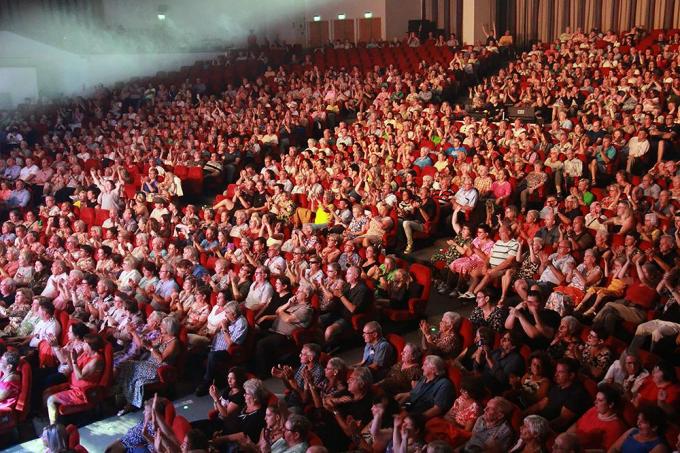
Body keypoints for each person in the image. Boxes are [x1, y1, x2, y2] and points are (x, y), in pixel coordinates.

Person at [116, 316, 180, 415]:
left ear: (169, 328)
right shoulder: (162, 336)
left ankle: (128, 401)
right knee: (130, 372)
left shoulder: (174, 342)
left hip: (159, 369)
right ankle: (128, 399)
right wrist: (138, 336)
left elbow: (161, 359)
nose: (160, 327)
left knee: (129, 366)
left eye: (162, 325)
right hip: (149, 364)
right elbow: (146, 344)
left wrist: (150, 348)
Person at [45, 334, 105, 424]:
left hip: (82, 392)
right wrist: (68, 356)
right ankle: (51, 419)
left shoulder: (96, 360)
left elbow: (79, 376)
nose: (83, 344)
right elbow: (72, 368)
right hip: (72, 386)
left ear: (90, 346)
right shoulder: (86, 353)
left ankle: (53, 427)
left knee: (50, 399)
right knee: (46, 392)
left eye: (85, 343)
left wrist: (74, 361)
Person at [195, 301, 248, 396]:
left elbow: (231, 343)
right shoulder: (229, 319)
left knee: (212, 356)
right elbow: (214, 332)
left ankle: (207, 382)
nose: (225, 315)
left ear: (234, 314)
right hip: (214, 346)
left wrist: (224, 327)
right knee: (196, 352)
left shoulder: (241, 323)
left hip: (227, 351)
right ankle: (201, 380)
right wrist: (218, 327)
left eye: (227, 313)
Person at [525, 358, 590, 432]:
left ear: (571, 375)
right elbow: (540, 405)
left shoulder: (577, 394)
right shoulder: (557, 387)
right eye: (556, 371)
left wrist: (537, 429)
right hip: (538, 422)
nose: (556, 375)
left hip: (548, 430)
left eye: (560, 372)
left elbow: (562, 420)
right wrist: (523, 415)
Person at [569, 383, 627, 451]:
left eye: (600, 400)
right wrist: (565, 437)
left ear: (611, 404)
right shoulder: (593, 410)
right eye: (596, 399)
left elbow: (606, 451)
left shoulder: (615, 427)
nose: (595, 402)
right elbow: (576, 425)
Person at [396, 355, 455, 420]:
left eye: (425, 365)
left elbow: (437, 409)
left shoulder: (444, 384)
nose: (422, 367)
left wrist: (417, 418)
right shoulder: (424, 378)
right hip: (410, 407)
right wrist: (402, 400)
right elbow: (413, 395)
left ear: (434, 369)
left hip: (419, 416)